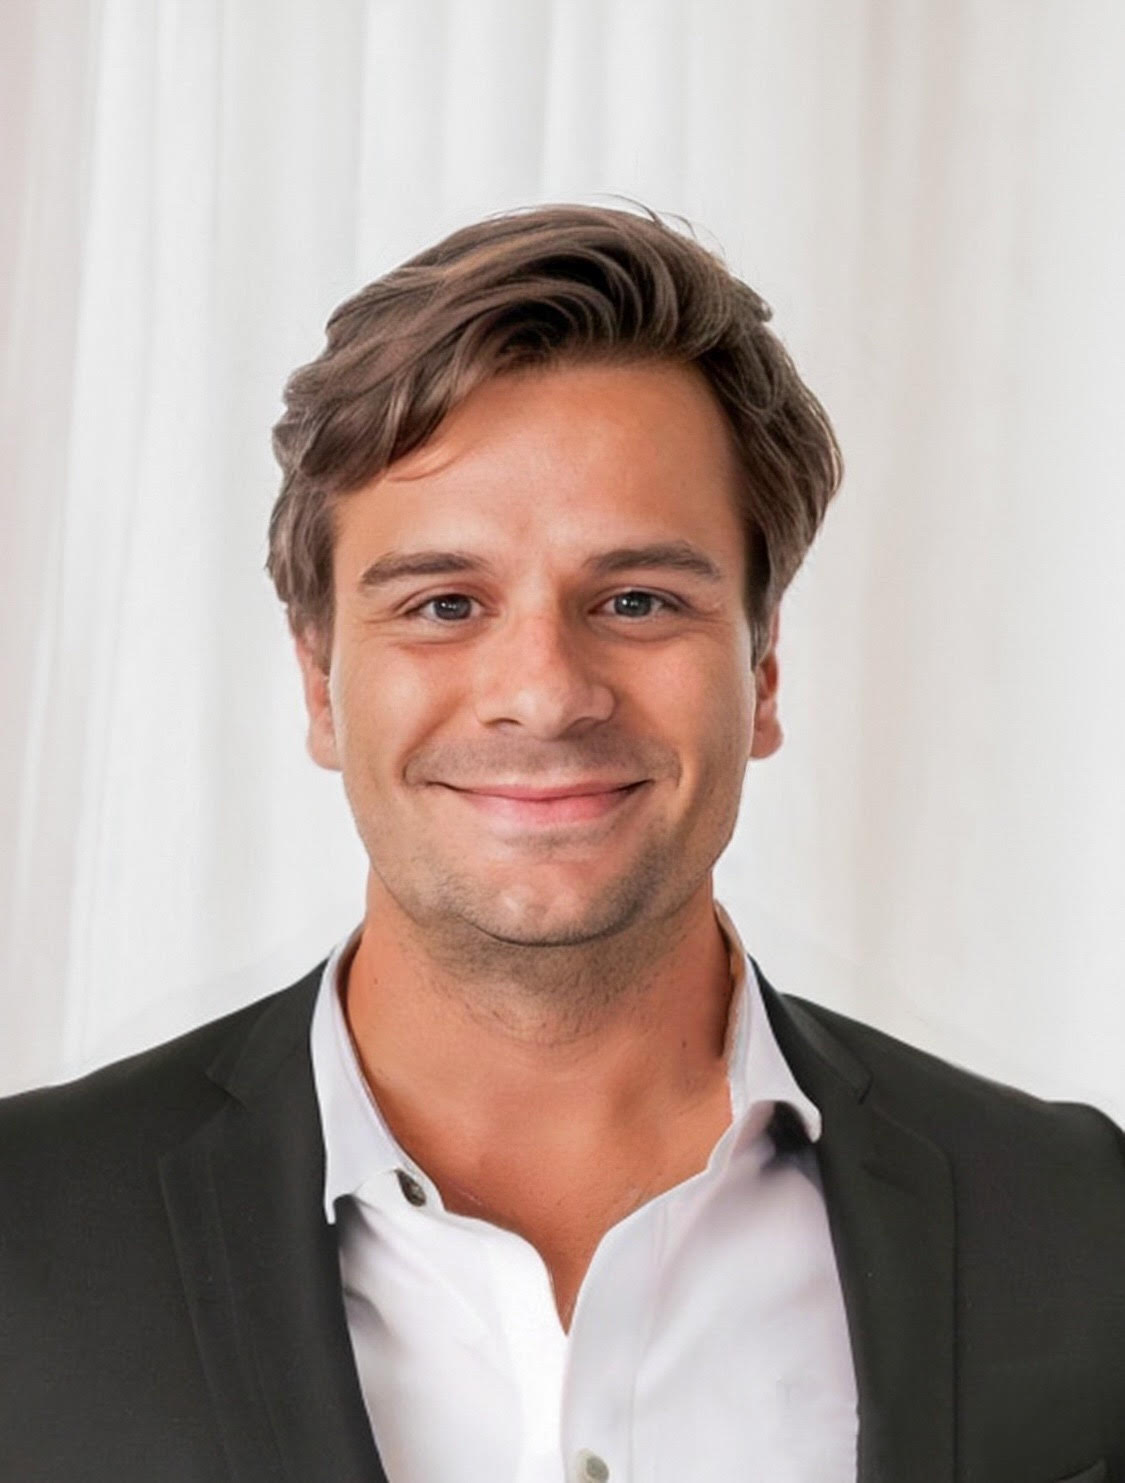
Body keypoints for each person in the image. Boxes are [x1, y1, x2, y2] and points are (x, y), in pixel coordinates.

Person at [1, 204, 1122, 1483]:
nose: (543, 694)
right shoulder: (25, 1234)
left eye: (637, 599)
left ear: (762, 669)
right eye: (444, 604)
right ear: (320, 685)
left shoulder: (1075, 1224)